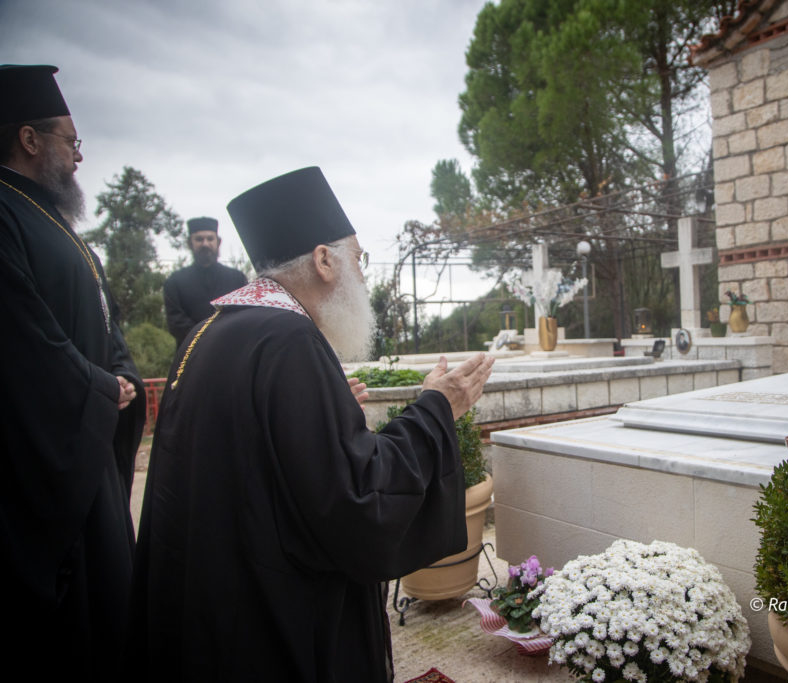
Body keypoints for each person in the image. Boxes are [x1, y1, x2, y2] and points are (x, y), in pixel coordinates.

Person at [126, 166, 495, 682]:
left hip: (210, 606)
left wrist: (323, 407)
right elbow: (356, 497)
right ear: (324, 260)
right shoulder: (289, 339)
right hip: (272, 624)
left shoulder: (211, 330)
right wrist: (440, 405)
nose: (362, 275)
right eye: (358, 259)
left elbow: (252, 450)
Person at [0, 64, 146, 680]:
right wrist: (93, 387)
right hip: (45, 463)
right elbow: (23, 340)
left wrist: (122, 373)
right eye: (71, 141)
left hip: (89, 455)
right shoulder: (7, 217)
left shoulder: (55, 222)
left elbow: (103, 320)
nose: (79, 157)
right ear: (30, 139)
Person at [163, 216, 247, 348]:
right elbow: (176, 324)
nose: (205, 244)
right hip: (190, 355)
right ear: (190, 243)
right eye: (199, 239)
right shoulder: (175, 281)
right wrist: (207, 339)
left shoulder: (237, 279)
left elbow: (245, 317)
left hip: (230, 350)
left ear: (218, 242)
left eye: (210, 238)